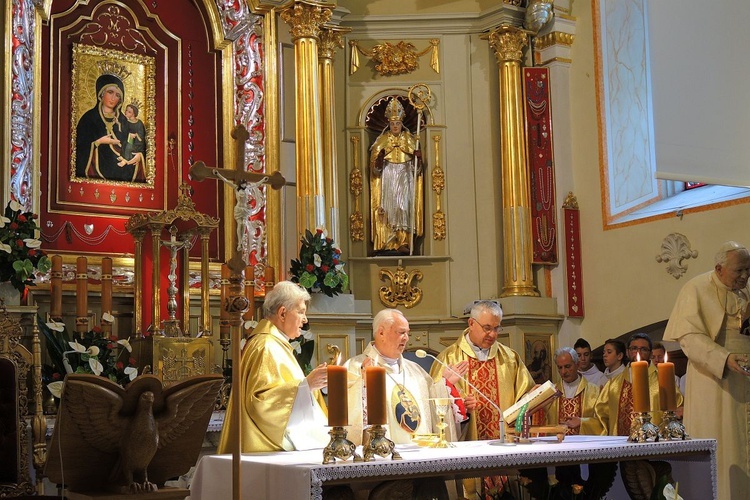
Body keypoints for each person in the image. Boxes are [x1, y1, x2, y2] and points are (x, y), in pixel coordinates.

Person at [663, 241, 750, 500]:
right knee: (726, 446)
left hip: (746, 377)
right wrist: (723, 358)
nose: (745, 276)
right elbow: (688, 337)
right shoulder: (696, 289)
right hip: (716, 382)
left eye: (748, 270)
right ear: (719, 268)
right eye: (739, 271)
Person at [430, 300, 535, 498]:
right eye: (487, 328)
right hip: (467, 450)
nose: (493, 334)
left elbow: (524, 396)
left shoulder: (509, 358)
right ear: (471, 323)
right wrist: (459, 405)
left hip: (505, 451)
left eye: (497, 328)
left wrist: (534, 395)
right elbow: (433, 405)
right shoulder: (448, 358)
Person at [216, 281, 329, 453]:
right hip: (264, 449)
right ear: (282, 313)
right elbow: (261, 402)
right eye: (301, 312)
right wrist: (307, 385)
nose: (305, 320)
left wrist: (311, 384)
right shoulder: (266, 346)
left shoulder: (275, 344)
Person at [344, 308, 472, 446]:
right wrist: (363, 385)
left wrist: (444, 386)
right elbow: (348, 416)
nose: (406, 338)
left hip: (420, 453)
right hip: (384, 457)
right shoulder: (355, 367)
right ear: (381, 332)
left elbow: (433, 411)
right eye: (401, 332)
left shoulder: (415, 370)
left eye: (407, 333)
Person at [594, 333, 682, 436]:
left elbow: (677, 407)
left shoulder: (663, 380)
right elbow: (601, 416)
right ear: (627, 352)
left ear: (650, 354)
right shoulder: (613, 384)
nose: (638, 352)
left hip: (653, 442)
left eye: (644, 349)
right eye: (634, 348)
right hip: (621, 444)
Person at [369, 97, 423, 255]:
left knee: (403, 207)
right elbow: (374, 168)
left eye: (397, 123)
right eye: (392, 124)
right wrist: (379, 160)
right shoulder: (383, 140)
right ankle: (390, 242)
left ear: (401, 124)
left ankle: (404, 241)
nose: (395, 126)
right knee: (389, 209)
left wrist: (417, 159)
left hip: (404, 174)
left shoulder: (410, 139)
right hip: (389, 174)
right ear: (389, 124)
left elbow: (417, 170)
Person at [75, 73, 145, 183]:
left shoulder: (124, 120)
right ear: (101, 94)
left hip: (124, 170)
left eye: (117, 95)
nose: (113, 98)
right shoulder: (89, 118)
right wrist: (98, 143)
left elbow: (131, 142)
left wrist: (139, 156)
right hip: (96, 171)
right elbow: (79, 148)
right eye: (110, 92)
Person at [545, 347, 603, 436]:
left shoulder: (594, 391)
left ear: (578, 364)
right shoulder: (551, 393)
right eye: (560, 367)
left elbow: (602, 423)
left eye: (567, 366)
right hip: (558, 446)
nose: (563, 371)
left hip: (583, 446)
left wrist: (581, 422)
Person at [119, 102, 146, 177]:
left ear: (133, 114)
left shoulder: (139, 123)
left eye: (129, 111)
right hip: (128, 140)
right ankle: (123, 157)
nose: (126, 112)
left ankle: (126, 161)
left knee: (129, 147)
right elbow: (123, 132)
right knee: (126, 144)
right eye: (126, 110)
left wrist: (136, 135)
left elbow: (141, 137)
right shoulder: (126, 122)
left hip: (137, 144)